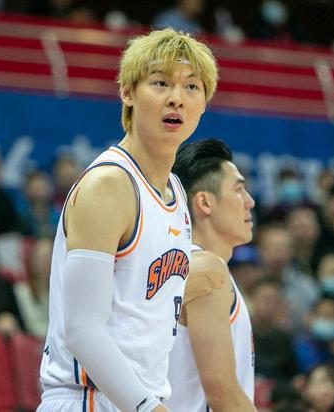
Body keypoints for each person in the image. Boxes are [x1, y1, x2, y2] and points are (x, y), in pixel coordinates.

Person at [38, 28, 218, 412]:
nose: (176, 98)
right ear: (127, 93)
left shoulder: (175, 191)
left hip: (136, 400)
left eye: (191, 87)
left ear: (204, 104)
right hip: (87, 399)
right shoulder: (109, 184)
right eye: (160, 83)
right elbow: (82, 330)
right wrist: (148, 407)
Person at [166, 139, 256, 411]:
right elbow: (222, 394)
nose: (250, 202)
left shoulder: (183, 263)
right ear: (205, 202)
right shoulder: (206, 269)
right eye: (239, 190)